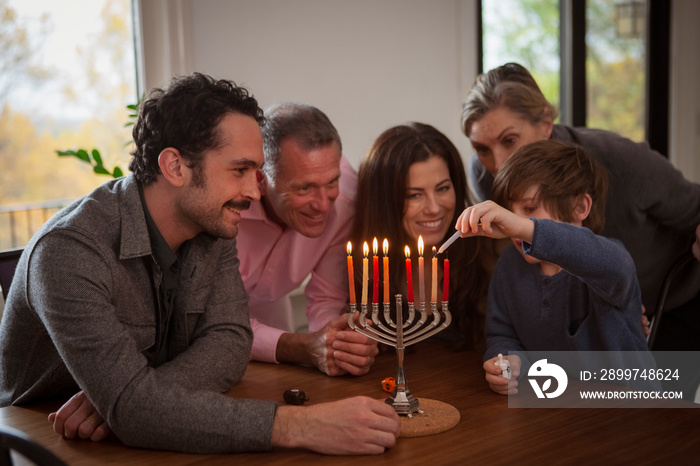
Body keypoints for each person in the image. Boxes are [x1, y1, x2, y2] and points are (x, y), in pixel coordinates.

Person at [0, 73, 400, 455]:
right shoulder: (69, 251)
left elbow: (230, 341)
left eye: (256, 172)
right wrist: (303, 425)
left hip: (133, 431)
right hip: (39, 440)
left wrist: (132, 395)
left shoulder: (210, 226)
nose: (254, 192)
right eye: (240, 170)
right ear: (175, 167)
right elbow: (135, 411)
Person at [461, 62, 700, 351]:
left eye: (509, 140)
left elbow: (609, 261)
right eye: (482, 149)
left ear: (546, 123)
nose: (497, 166)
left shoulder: (621, 161)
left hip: (675, 301)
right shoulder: (485, 171)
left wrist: (624, 304)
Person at [455, 140, 650, 395]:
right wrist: (507, 361)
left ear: (580, 207)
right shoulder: (509, 266)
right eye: (509, 210)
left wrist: (525, 227)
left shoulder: (607, 261)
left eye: (529, 208)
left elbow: (613, 264)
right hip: (552, 410)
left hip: (630, 410)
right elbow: (502, 333)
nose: (513, 221)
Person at [237, 102, 377, 376]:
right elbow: (215, 324)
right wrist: (301, 346)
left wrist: (338, 343)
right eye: (305, 188)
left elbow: (327, 297)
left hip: (273, 308)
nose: (324, 205)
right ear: (261, 180)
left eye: (331, 182)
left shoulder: (349, 199)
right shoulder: (226, 202)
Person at [350, 122, 495, 349]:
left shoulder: (485, 257)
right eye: (414, 195)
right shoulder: (365, 267)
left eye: (443, 188)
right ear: (384, 203)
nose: (434, 208)